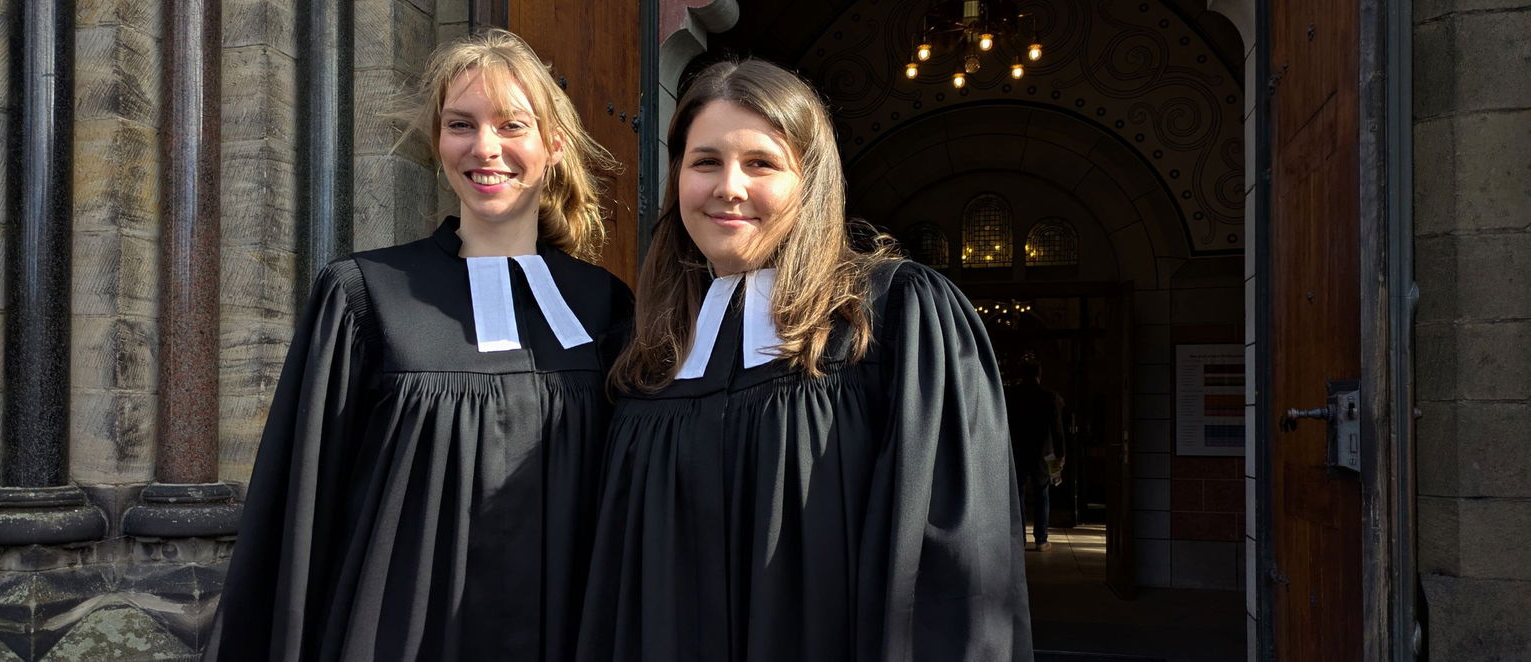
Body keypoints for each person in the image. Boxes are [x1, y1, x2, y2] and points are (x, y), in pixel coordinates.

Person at [578, 59, 1033, 661]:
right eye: (705, 161)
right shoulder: (639, 354)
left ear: (810, 181)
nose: (729, 187)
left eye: (761, 163)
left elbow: (955, 567)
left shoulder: (893, 316)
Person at [206, 30, 631, 662]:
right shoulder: (364, 294)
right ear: (438, 142)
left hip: (563, 632)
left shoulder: (603, 305)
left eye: (512, 125)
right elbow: (302, 506)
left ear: (554, 145)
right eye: (461, 124)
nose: (485, 147)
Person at [1005, 362, 1067, 551]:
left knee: (1018, 495)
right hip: (1044, 453)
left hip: (1018, 451)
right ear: (1040, 375)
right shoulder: (1049, 397)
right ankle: (1041, 539)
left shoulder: (1012, 396)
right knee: (1042, 494)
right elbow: (1057, 429)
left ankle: (1019, 538)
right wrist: (1061, 454)